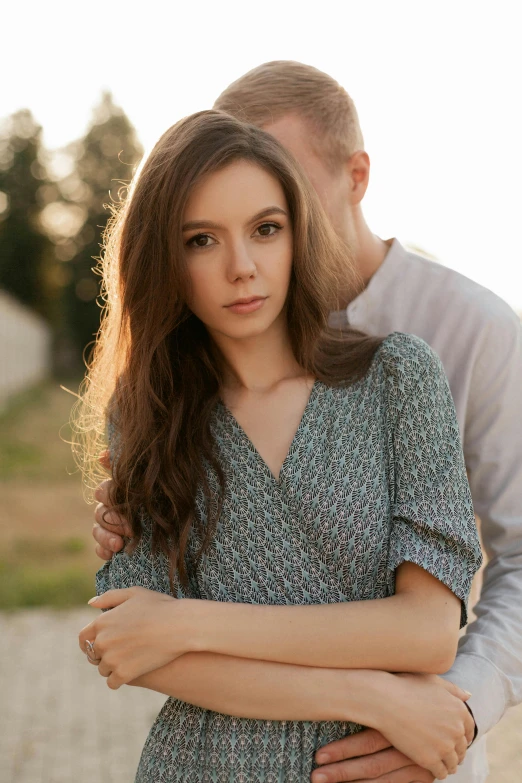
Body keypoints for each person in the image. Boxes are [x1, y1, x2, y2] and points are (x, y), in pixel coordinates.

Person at [77, 110, 482, 783]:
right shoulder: (145, 413)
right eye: (202, 239)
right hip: (204, 763)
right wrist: (369, 691)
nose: (242, 267)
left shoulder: (397, 378)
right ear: (166, 260)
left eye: (266, 229)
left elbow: (428, 630)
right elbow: (137, 649)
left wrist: (186, 621)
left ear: (297, 235)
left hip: (367, 766)